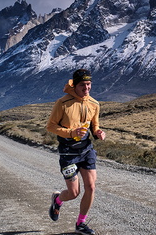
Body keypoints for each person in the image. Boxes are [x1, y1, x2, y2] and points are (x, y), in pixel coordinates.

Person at [46, 69, 106, 235]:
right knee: (73, 193)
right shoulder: (63, 103)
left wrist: (98, 133)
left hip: (87, 150)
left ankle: (80, 223)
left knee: (91, 187)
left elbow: (95, 126)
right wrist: (71, 133)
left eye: (89, 84)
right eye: (82, 85)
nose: (86, 88)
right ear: (75, 85)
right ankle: (57, 200)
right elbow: (50, 126)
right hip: (68, 153)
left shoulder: (94, 104)